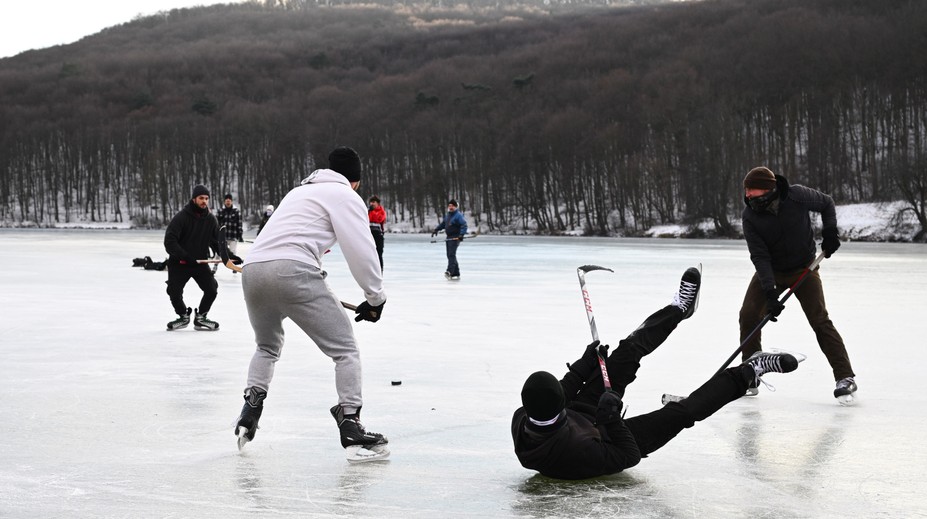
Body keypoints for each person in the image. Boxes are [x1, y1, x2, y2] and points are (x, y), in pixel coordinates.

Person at [511, 267, 801, 480]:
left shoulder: (521, 418)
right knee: (682, 413)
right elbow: (629, 456)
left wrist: (587, 362)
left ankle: (678, 309)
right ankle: (749, 372)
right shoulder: (578, 452)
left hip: (581, 413)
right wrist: (610, 419)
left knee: (627, 351)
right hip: (609, 439)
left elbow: (565, 388)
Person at [234, 146, 389, 461]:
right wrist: (375, 297)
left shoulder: (298, 193)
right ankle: (351, 423)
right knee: (345, 350)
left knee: (266, 347)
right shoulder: (345, 195)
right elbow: (360, 247)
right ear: (355, 179)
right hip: (292, 270)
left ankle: (250, 411)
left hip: (253, 271)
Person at [739, 166, 856, 403]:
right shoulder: (750, 215)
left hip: (804, 269)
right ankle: (750, 374)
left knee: (820, 320)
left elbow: (827, 203)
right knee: (749, 315)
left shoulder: (797, 195)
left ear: (768, 189)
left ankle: (845, 377)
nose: (748, 195)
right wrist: (770, 293)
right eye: (747, 190)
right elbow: (759, 256)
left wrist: (830, 232)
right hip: (771, 269)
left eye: (753, 190)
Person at [163, 185, 241, 331]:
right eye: (201, 198)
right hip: (179, 262)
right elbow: (169, 242)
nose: (204, 201)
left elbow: (217, 242)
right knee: (174, 291)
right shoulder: (181, 217)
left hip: (199, 263)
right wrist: (185, 256)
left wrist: (231, 257)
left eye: (206, 198)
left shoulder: (210, 219)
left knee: (211, 289)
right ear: (194, 199)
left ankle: (201, 318)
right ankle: (182, 316)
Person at [431, 199, 468, 280]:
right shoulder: (448, 215)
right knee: (450, 254)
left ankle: (449, 271)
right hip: (449, 237)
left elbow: (464, 225)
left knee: (451, 254)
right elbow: (443, 224)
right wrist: (436, 229)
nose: (450, 207)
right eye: (449, 206)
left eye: (452, 206)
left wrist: (461, 234)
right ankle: (456, 272)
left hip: (455, 237)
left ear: (455, 207)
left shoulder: (458, 215)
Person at [215, 194, 244, 274]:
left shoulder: (236, 211)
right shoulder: (220, 211)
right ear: (224, 202)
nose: (228, 202)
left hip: (233, 236)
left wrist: (240, 235)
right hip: (222, 237)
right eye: (226, 201)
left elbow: (239, 224)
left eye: (229, 201)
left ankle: (234, 267)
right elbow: (215, 224)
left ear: (231, 201)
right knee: (219, 252)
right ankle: (215, 266)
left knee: (233, 252)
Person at [368, 195, 386, 271]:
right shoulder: (368, 211)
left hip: (378, 234)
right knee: (369, 253)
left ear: (378, 203)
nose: (372, 204)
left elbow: (378, 219)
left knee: (379, 253)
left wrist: (371, 212)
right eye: (371, 202)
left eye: (373, 202)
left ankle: (380, 270)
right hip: (369, 234)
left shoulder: (381, 211)